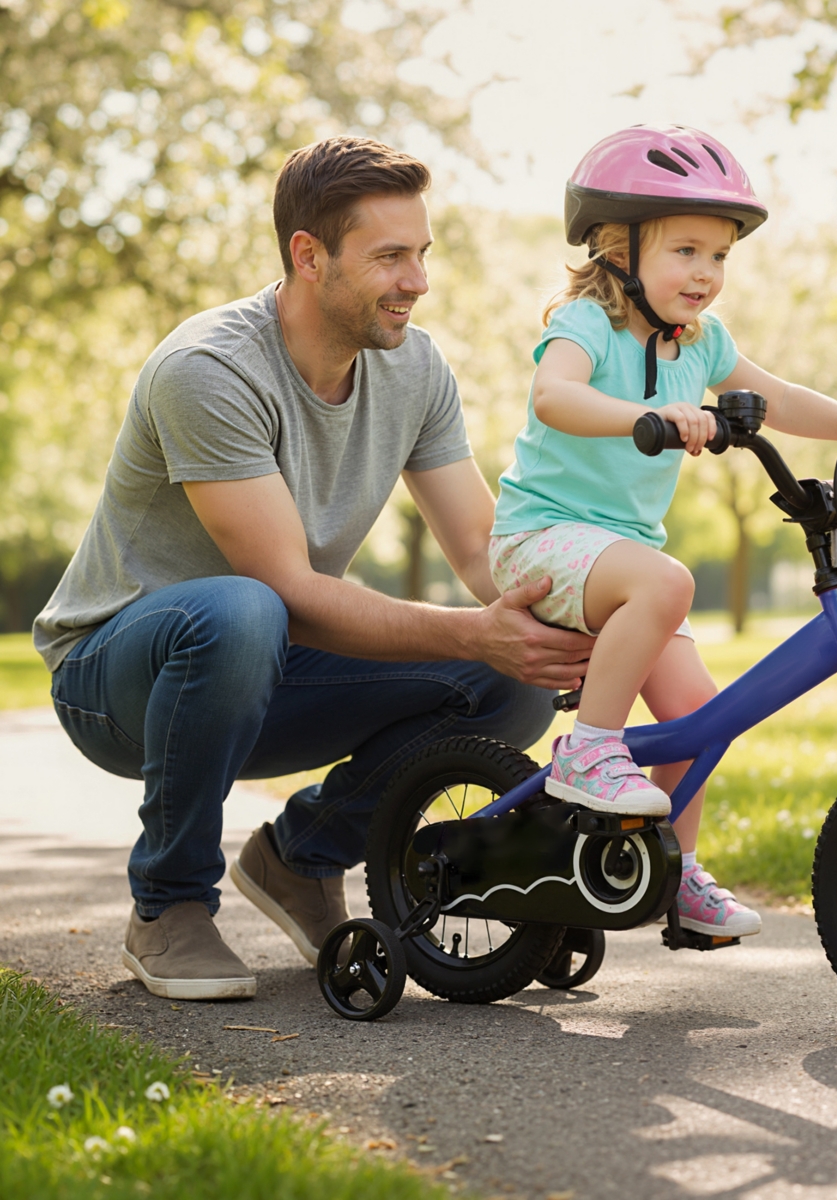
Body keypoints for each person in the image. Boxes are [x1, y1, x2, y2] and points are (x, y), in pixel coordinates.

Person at [33, 136, 593, 1001]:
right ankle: (168, 907)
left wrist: (588, 605)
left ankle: (303, 857)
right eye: (390, 257)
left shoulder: (415, 366)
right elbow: (288, 591)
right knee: (242, 610)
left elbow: (486, 556)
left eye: (423, 255)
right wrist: (478, 632)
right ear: (309, 255)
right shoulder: (209, 369)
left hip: (269, 661)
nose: (418, 280)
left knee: (508, 680)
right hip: (117, 679)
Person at [490, 124, 837, 939]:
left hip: (623, 559)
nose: (707, 274)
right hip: (544, 536)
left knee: (698, 717)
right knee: (668, 577)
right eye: (686, 250)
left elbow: (781, 399)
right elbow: (554, 398)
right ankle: (587, 752)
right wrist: (647, 415)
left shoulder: (702, 343)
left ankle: (675, 875)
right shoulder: (587, 324)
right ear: (618, 245)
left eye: (719, 256)